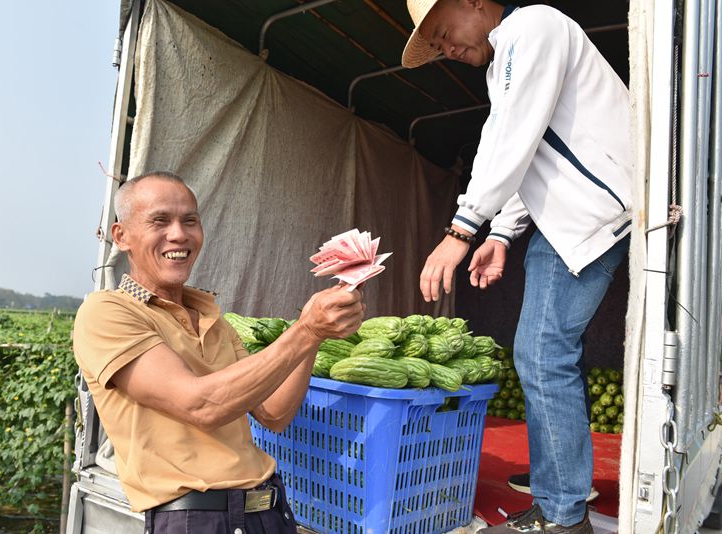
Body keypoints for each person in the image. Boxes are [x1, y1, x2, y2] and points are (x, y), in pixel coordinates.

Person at [402, 1, 632, 533]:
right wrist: (501, 234)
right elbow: (533, 150)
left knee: (544, 353)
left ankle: (562, 514)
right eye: (438, 48)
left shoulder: (532, 27)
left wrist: (463, 229)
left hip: (594, 215)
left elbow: (511, 136)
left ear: (474, 3)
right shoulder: (510, 53)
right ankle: (559, 505)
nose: (449, 50)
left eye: (443, 32)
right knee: (541, 353)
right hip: (572, 221)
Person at [73, 171, 365, 534]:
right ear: (122, 236)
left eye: (190, 220)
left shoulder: (216, 321)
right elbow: (202, 406)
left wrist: (315, 336)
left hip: (269, 512)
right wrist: (304, 329)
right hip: (196, 521)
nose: (179, 234)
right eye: (159, 220)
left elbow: (274, 413)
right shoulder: (107, 313)